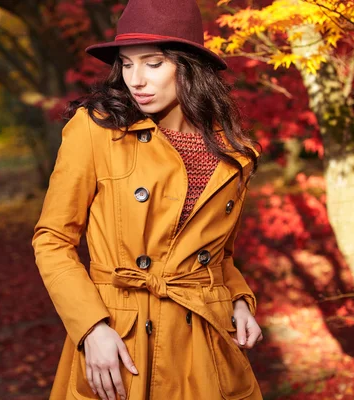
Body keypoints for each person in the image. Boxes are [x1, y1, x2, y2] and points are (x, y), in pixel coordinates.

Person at [32, 0, 263, 399]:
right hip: (120, 339)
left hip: (202, 341)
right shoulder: (98, 130)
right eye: (127, 64)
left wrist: (239, 301)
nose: (136, 79)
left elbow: (217, 255)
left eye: (153, 64)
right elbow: (52, 240)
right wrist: (91, 326)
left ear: (189, 65)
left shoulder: (233, 154)